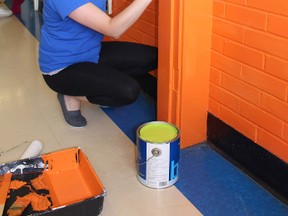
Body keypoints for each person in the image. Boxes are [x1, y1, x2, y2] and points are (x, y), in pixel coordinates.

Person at [38, 0, 157, 128]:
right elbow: (113, 29)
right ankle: (71, 95)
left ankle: (99, 85)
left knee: (153, 57)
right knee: (128, 92)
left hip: (92, 53)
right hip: (61, 67)